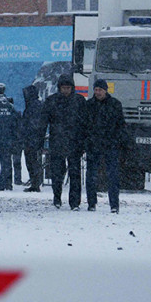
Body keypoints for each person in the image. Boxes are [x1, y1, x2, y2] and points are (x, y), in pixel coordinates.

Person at [39, 74, 88, 209]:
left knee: (75, 174)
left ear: (72, 88)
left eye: (68, 88)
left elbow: (85, 123)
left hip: (75, 143)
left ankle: (74, 202)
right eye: (63, 88)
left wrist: (84, 142)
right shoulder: (51, 101)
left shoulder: (79, 101)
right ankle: (57, 197)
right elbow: (43, 122)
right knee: (57, 173)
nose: (66, 90)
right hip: (57, 142)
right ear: (59, 88)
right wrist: (41, 141)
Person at [86, 78, 127, 214]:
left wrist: (118, 141)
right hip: (94, 145)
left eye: (100, 90)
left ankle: (114, 204)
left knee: (112, 176)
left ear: (105, 90)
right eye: (96, 90)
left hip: (110, 145)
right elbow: (84, 125)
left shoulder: (115, 105)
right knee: (91, 176)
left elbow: (120, 125)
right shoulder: (89, 105)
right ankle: (91, 203)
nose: (97, 92)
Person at [20, 85, 45, 192]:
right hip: (35, 139)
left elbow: (32, 124)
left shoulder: (33, 106)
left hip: (31, 139)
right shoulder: (37, 105)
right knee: (33, 161)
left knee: (31, 161)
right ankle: (35, 182)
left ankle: (35, 184)